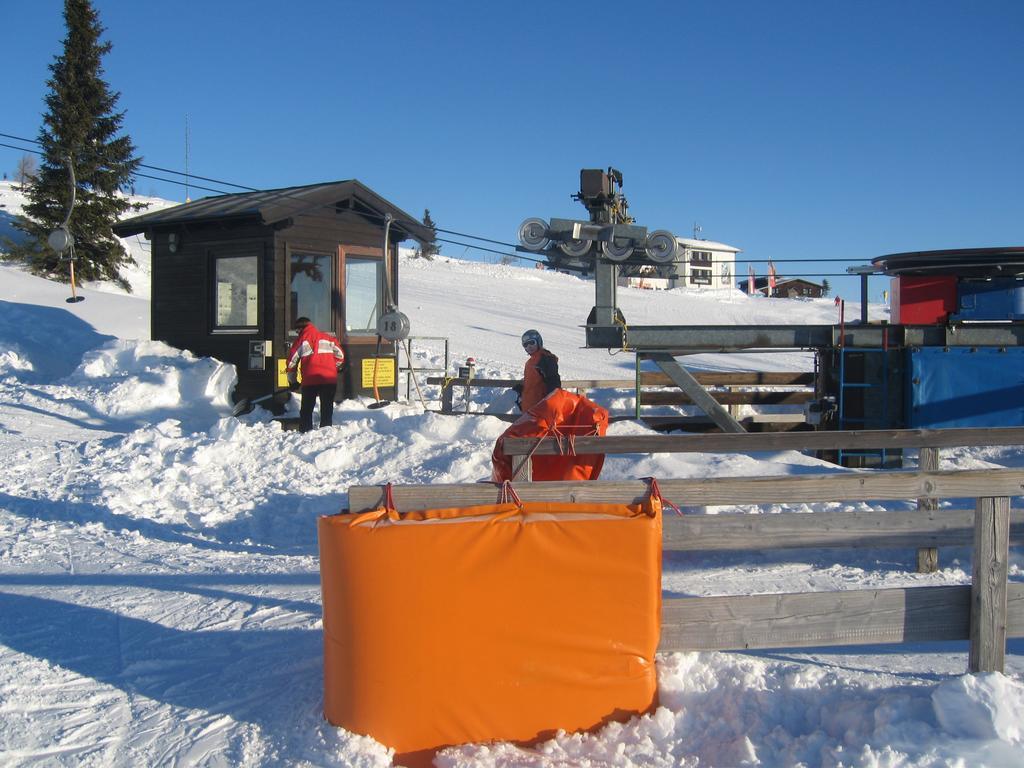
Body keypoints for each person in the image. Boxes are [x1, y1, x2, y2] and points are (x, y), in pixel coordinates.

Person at [286, 317, 345, 432]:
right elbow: (340, 356)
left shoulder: (301, 341)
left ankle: (305, 431)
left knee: (307, 409)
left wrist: (293, 382)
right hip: (329, 379)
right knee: (327, 407)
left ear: (300, 329)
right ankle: (326, 431)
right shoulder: (328, 338)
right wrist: (335, 367)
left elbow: (291, 363)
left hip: (310, 380)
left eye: (297, 331)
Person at [516, 329, 561, 412]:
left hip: (540, 409)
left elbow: (553, 382)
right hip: (529, 408)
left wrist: (550, 405)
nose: (529, 346)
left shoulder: (546, 359)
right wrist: (523, 389)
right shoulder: (530, 362)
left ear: (538, 342)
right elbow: (536, 383)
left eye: (532, 342)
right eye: (525, 344)